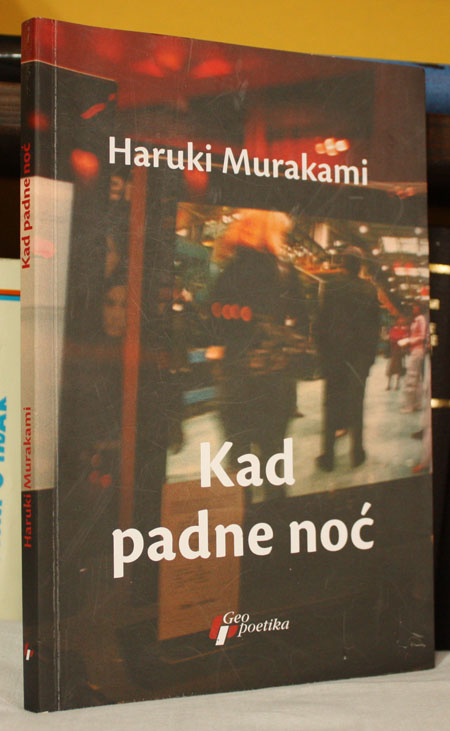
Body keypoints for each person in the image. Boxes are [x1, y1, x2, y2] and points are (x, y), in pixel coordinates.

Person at [208, 209, 308, 499]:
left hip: (236, 384)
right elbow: (302, 326)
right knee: (274, 462)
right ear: (273, 232)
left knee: (239, 467)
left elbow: (214, 329)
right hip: (275, 384)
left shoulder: (227, 272)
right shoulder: (286, 273)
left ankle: (244, 520)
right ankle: (276, 520)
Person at [315, 246, 380, 471]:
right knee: (357, 404)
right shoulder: (369, 290)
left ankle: (328, 457)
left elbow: (321, 322)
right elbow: (375, 328)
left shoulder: (331, 286)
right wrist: (370, 359)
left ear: (343, 262)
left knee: (331, 405)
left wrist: (322, 355)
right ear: (360, 265)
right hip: (359, 358)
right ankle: (357, 453)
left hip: (335, 356)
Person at [401, 303, 428, 413]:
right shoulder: (416, 319)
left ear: (419, 308)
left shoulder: (420, 319)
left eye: (415, 307)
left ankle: (409, 406)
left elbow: (422, 336)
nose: (413, 308)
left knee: (411, 377)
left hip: (417, 350)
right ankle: (417, 404)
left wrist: (409, 341)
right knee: (417, 378)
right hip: (415, 350)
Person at [386, 316, 408, 391]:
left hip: (400, 352)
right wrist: (399, 339)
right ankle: (389, 385)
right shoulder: (393, 329)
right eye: (400, 319)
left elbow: (403, 338)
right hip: (394, 351)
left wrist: (398, 340)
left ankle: (397, 385)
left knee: (399, 368)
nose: (401, 321)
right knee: (391, 368)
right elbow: (392, 338)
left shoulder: (404, 329)